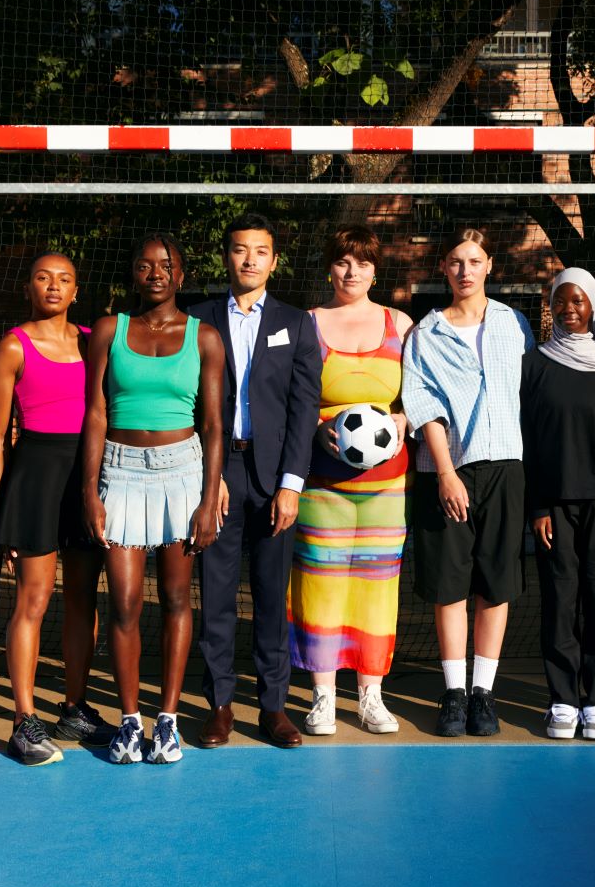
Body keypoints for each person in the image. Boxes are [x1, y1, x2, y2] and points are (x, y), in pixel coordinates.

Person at [82, 233, 225, 765]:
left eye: (166, 265)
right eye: (144, 265)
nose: (155, 273)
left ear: (182, 275)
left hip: (182, 473)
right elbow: (94, 415)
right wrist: (89, 490)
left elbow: (212, 425)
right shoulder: (107, 330)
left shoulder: (205, 337)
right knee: (121, 604)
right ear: (133, 275)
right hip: (119, 472)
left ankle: (166, 720)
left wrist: (209, 498)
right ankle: (128, 721)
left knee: (175, 600)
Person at [188, 213, 322, 749]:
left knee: (271, 598)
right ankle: (219, 705)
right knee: (215, 597)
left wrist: (291, 484)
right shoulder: (196, 319)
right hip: (218, 476)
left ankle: (273, 707)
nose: (250, 260)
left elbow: (303, 406)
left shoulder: (296, 321)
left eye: (260, 251)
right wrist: (208, 475)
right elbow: (190, 404)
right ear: (226, 256)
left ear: (273, 259)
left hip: (273, 481)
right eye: (240, 250)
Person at [401, 228, 535, 737]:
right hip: (447, 472)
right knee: (449, 585)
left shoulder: (514, 323)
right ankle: (454, 692)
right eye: (455, 261)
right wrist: (448, 473)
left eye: (474, 261)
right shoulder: (426, 333)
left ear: (489, 266)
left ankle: (484, 693)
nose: (464, 270)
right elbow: (423, 406)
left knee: (495, 584)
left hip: (506, 468)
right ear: (443, 268)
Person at [0, 252, 109, 767]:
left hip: (85, 477)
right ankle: (23, 720)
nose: (53, 286)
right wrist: (0, 514)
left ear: (76, 290)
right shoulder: (11, 347)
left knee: (83, 598)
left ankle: (74, 708)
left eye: (64, 280)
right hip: (34, 478)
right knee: (32, 600)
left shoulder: (90, 340)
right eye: (42, 277)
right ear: (29, 286)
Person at [287, 225, 413, 736]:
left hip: (387, 487)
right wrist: (319, 432)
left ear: (375, 270)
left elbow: (419, 392)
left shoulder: (399, 323)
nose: (351, 272)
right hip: (324, 486)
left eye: (361, 263)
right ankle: (321, 697)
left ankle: (371, 695)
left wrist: (403, 417)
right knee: (322, 585)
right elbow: (296, 401)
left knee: (377, 588)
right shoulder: (309, 323)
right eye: (342, 262)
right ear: (329, 269)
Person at [521, 268, 595, 742]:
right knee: (560, 600)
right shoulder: (535, 364)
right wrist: (538, 504)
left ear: (594, 306)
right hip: (554, 505)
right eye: (560, 301)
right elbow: (529, 439)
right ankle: (563, 700)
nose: (569, 309)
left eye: (578, 301)